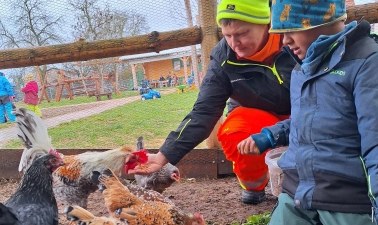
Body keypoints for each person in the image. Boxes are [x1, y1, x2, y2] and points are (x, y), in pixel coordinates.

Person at [128, 0, 296, 205]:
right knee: (234, 132)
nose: (235, 43)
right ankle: (254, 184)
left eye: (242, 33)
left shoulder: (295, 39)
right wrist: (163, 156)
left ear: (266, 22)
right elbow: (204, 112)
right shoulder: (223, 58)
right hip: (256, 115)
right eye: (227, 35)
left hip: (301, 110)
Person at [237, 1, 378, 224]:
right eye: (282, 32)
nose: (286, 40)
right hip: (297, 193)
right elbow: (307, 121)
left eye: (292, 30)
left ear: (322, 18)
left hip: (346, 199)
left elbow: (375, 142)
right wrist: (270, 136)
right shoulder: (301, 68)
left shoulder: (365, 63)